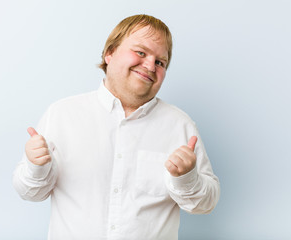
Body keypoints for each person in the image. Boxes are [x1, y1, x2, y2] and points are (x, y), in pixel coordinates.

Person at [13, 14, 220, 240]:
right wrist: (35, 167)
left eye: (160, 62)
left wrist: (186, 178)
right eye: (141, 52)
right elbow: (30, 193)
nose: (151, 65)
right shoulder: (61, 114)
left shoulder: (180, 126)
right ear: (109, 53)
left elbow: (206, 204)